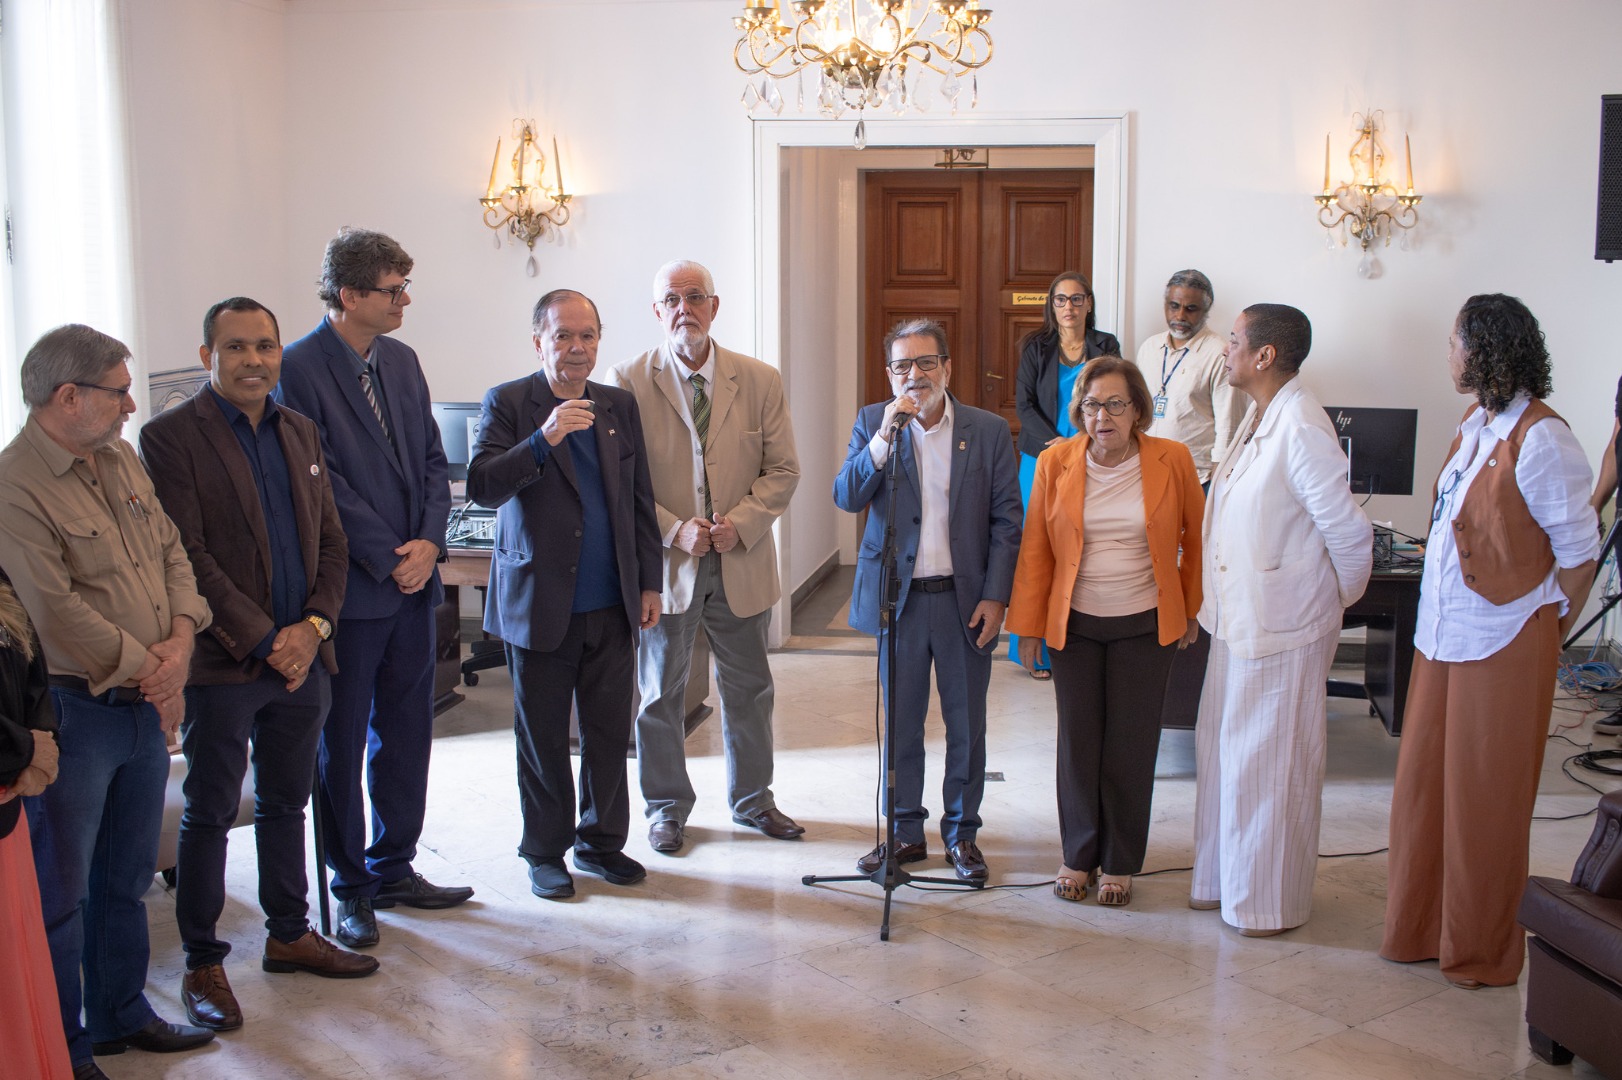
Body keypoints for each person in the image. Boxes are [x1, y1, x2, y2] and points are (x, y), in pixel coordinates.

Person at [140, 298, 378, 1032]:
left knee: (287, 803)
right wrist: (263, 637)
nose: (254, 360)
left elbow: (331, 542)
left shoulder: (299, 429)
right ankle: (204, 961)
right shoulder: (169, 438)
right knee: (210, 813)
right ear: (207, 353)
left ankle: (289, 934)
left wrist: (310, 629)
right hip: (223, 663)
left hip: (303, 662)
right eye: (236, 347)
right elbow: (187, 555)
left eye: (265, 346)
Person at [0, 324, 215, 1075]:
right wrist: (152, 670)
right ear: (69, 397)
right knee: (64, 895)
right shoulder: (14, 484)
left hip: (144, 707)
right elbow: (52, 609)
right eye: (120, 391)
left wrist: (182, 641)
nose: (132, 404)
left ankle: (123, 1013)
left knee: (126, 879)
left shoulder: (120, 456)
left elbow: (171, 553)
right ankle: (66, 1045)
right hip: (77, 713)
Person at [1381, 294, 1599, 987]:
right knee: (1423, 792)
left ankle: (1480, 952)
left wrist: (1547, 628)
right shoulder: (1476, 422)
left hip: (1505, 641)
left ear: (1485, 350)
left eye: (1454, 341)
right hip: (1443, 638)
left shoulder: (1544, 437)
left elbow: (1579, 550)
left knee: (1487, 801)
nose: (1447, 353)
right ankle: (1419, 931)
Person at [277, 228, 471, 951]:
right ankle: (351, 883)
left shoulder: (402, 359)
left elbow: (429, 458)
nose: (405, 301)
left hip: (414, 584)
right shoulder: (297, 368)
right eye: (393, 290)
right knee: (343, 739)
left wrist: (428, 541)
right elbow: (321, 481)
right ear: (350, 294)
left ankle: (396, 865)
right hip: (354, 591)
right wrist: (390, 555)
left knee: (408, 732)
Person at [467, 290, 662, 901]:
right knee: (543, 736)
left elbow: (638, 499)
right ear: (539, 342)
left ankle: (601, 843)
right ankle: (544, 852)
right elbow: (483, 486)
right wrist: (543, 438)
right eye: (562, 337)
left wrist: (649, 581)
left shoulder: (617, 405)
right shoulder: (509, 402)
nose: (576, 349)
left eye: (587, 336)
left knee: (608, 733)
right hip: (541, 604)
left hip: (611, 601)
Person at [606, 260, 803, 853]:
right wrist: (673, 531)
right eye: (672, 298)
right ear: (657, 310)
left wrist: (737, 525)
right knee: (661, 692)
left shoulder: (759, 379)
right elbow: (623, 480)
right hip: (667, 568)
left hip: (740, 560)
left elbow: (784, 470)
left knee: (750, 689)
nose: (684, 308)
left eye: (696, 297)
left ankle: (753, 801)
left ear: (714, 307)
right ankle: (666, 808)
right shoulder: (627, 380)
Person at [1190, 304, 1371, 937]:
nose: (1225, 352)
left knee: (1268, 768)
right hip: (1239, 622)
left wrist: (1322, 605)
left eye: (1234, 342)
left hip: (1283, 626)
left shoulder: (1301, 422)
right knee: (1226, 758)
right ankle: (1222, 884)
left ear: (1265, 355)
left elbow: (1349, 535)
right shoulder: (1260, 412)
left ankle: (1264, 904)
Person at [1005, 356, 1203, 907]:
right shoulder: (1057, 462)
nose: (1104, 415)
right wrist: (1027, 628)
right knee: (1078, 742)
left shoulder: (1173, 459)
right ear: (1079, 411)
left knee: (1132, 744)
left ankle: (1119, 861)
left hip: (1145, 621)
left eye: (1116, 403)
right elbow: (1036, 550)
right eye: (1092, 404)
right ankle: (1079, 854)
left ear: (1138, 409)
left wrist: (1189, 611)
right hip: (1076, 623)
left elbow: (1196, 539)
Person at [833, 317, 1022, 883]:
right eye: (901, 366)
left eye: (924, 363)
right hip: (901, 601)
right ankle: (906, 833)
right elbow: (847, 495)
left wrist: (996, 595)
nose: (914, 376)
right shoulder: (874, 421)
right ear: (889, 374)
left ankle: (963, 835)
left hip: (965, 600)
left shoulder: (986, 430)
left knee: (966, 725)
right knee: (903, 723)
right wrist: (886, 437)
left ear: (946, 367)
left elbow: (1007, 520)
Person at [1011, 271, 1121, 679]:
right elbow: (1024, 407)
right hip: (1040, 458)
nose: (1069, 307)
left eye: (1077, 299)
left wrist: (1079, 445)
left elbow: (1111, 396)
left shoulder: (1106, 345)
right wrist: (1057, 444)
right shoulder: (1035, 347)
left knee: (1079, 547)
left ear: (1088, 304)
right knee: (1036, 549)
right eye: (1061, 299)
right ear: (1051, 305)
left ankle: (1075, 642)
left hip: (1091, 456)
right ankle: (1034, 648)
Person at [0, 572, 72, 1078]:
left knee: (16, 973)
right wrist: (23, 749)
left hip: (8, 802)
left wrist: (41, 744)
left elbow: (31, 667)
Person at [1132, 269, 1245, 488]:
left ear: (1206, 310)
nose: (1180, 316)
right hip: (1147, 472)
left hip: (1196, 478)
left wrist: (1218, 484)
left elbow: (1229, 425)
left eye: (1191, 309)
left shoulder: (1220, 354)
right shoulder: (1149, 348)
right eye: (1174, 306)